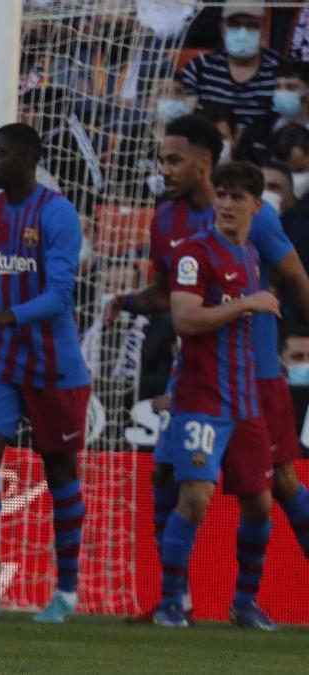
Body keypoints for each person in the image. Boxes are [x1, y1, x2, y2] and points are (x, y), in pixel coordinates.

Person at [106, 115, 309, 622]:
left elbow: (295, 280)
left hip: (258, 375)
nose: (165, 169)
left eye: (175, 159)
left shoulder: (255, 218)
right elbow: (169, 294)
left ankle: (240, 602)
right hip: (197, 375)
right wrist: (127, 301)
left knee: (278, 485)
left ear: (203, 161)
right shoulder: (167, 221)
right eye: (163, 159)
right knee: (169, 480)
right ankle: (175, 600)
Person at [0, 123, 90, 623]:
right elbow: (11, 270)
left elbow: (59, 295)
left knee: (59, 471)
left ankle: (67, 591)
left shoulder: (57, 212)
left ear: (27, 158)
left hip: (54, 365)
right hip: (2, 360)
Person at [156, 161, 282, 630]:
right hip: (202, 400)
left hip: (244, 400)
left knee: (260, 503)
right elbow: (186, 320)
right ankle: (171, 601)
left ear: (256, 205)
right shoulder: (195, 254)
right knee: (195, 498)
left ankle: (244, 602)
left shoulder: (248, 256)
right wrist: (248, 303)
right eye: (222, 195)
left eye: (237, 196)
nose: (227, 204)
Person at [179, 1, 282, 134]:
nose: (242, 32)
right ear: (222, 29)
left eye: (251, 25)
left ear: (264, 29)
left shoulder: (279, 70)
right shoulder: (199, 68)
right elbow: (184, 121)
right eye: (235, 25)